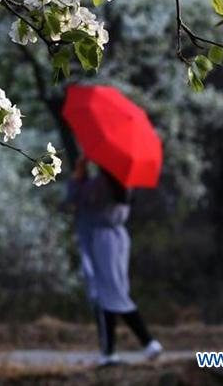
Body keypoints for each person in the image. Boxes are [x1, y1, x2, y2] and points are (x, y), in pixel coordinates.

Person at [65, 154, 163, 365]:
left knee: (109, 293)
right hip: (118, 239)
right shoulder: (124, 185)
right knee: (112, 292)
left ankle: (146, 341)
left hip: (100, 241)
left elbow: (73, 197)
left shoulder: (100, 185)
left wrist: (78, 172)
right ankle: (110, 351)